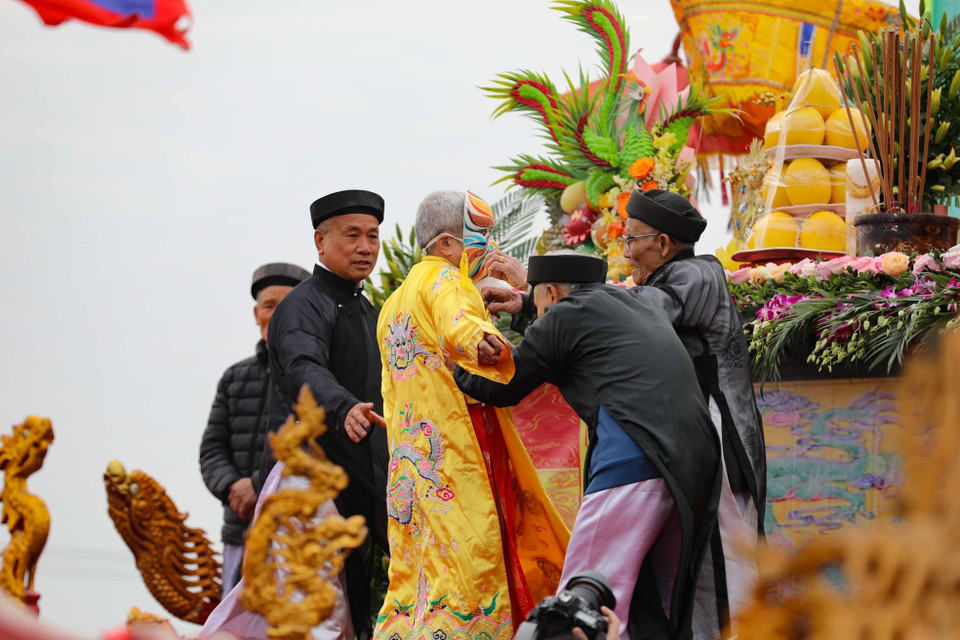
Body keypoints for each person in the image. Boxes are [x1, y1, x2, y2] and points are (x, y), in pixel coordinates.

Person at [454, 252, 721, 640]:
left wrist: (455, 366)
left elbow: (505, 385)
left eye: (539, 301)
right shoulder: (632, 301)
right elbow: (571, 333)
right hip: (693, 462)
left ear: (549, 291)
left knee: (578, 605)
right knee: (645, 602)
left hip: (635, 461)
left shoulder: (564, 316)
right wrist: (529, 306)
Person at [373, 191, 568, 640]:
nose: (492, 251)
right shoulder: (445, 280)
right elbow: (457, 320)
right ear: (446, 245)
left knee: (419, 568)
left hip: (411, 461)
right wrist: (482, 340)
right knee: (475, 552)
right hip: (460, 450)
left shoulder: (393, 303)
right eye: (481, 239)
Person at [621, 189, 765, 640]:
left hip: (721, 441)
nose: (626, 254)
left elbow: (637, 320)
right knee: (703, 566)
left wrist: (553, 288)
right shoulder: (676, 276)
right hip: (703, 439)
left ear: (663, 244)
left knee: (727, 567)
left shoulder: (695, 276)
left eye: (632, 241)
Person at [258, 189, 389, 640]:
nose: (365, 246)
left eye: (372, 236)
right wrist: (343, 405)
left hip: (361, 481)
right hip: (312, 485)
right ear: (320, 240)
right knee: (320, 619)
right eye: (352, 235)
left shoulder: (367, 309)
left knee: (352, 612)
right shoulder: (304, 305)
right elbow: (303, 367)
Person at [199, 261, 310, 595]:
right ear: (255, 313)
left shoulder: (314, 378)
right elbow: (212, 449)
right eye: (268, 306)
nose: (275, 315)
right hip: (240, 528)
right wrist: (233, 487)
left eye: (286, 306)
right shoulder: (235, 378)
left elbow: (315, 451)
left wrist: (259, 486)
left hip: (296, 536)